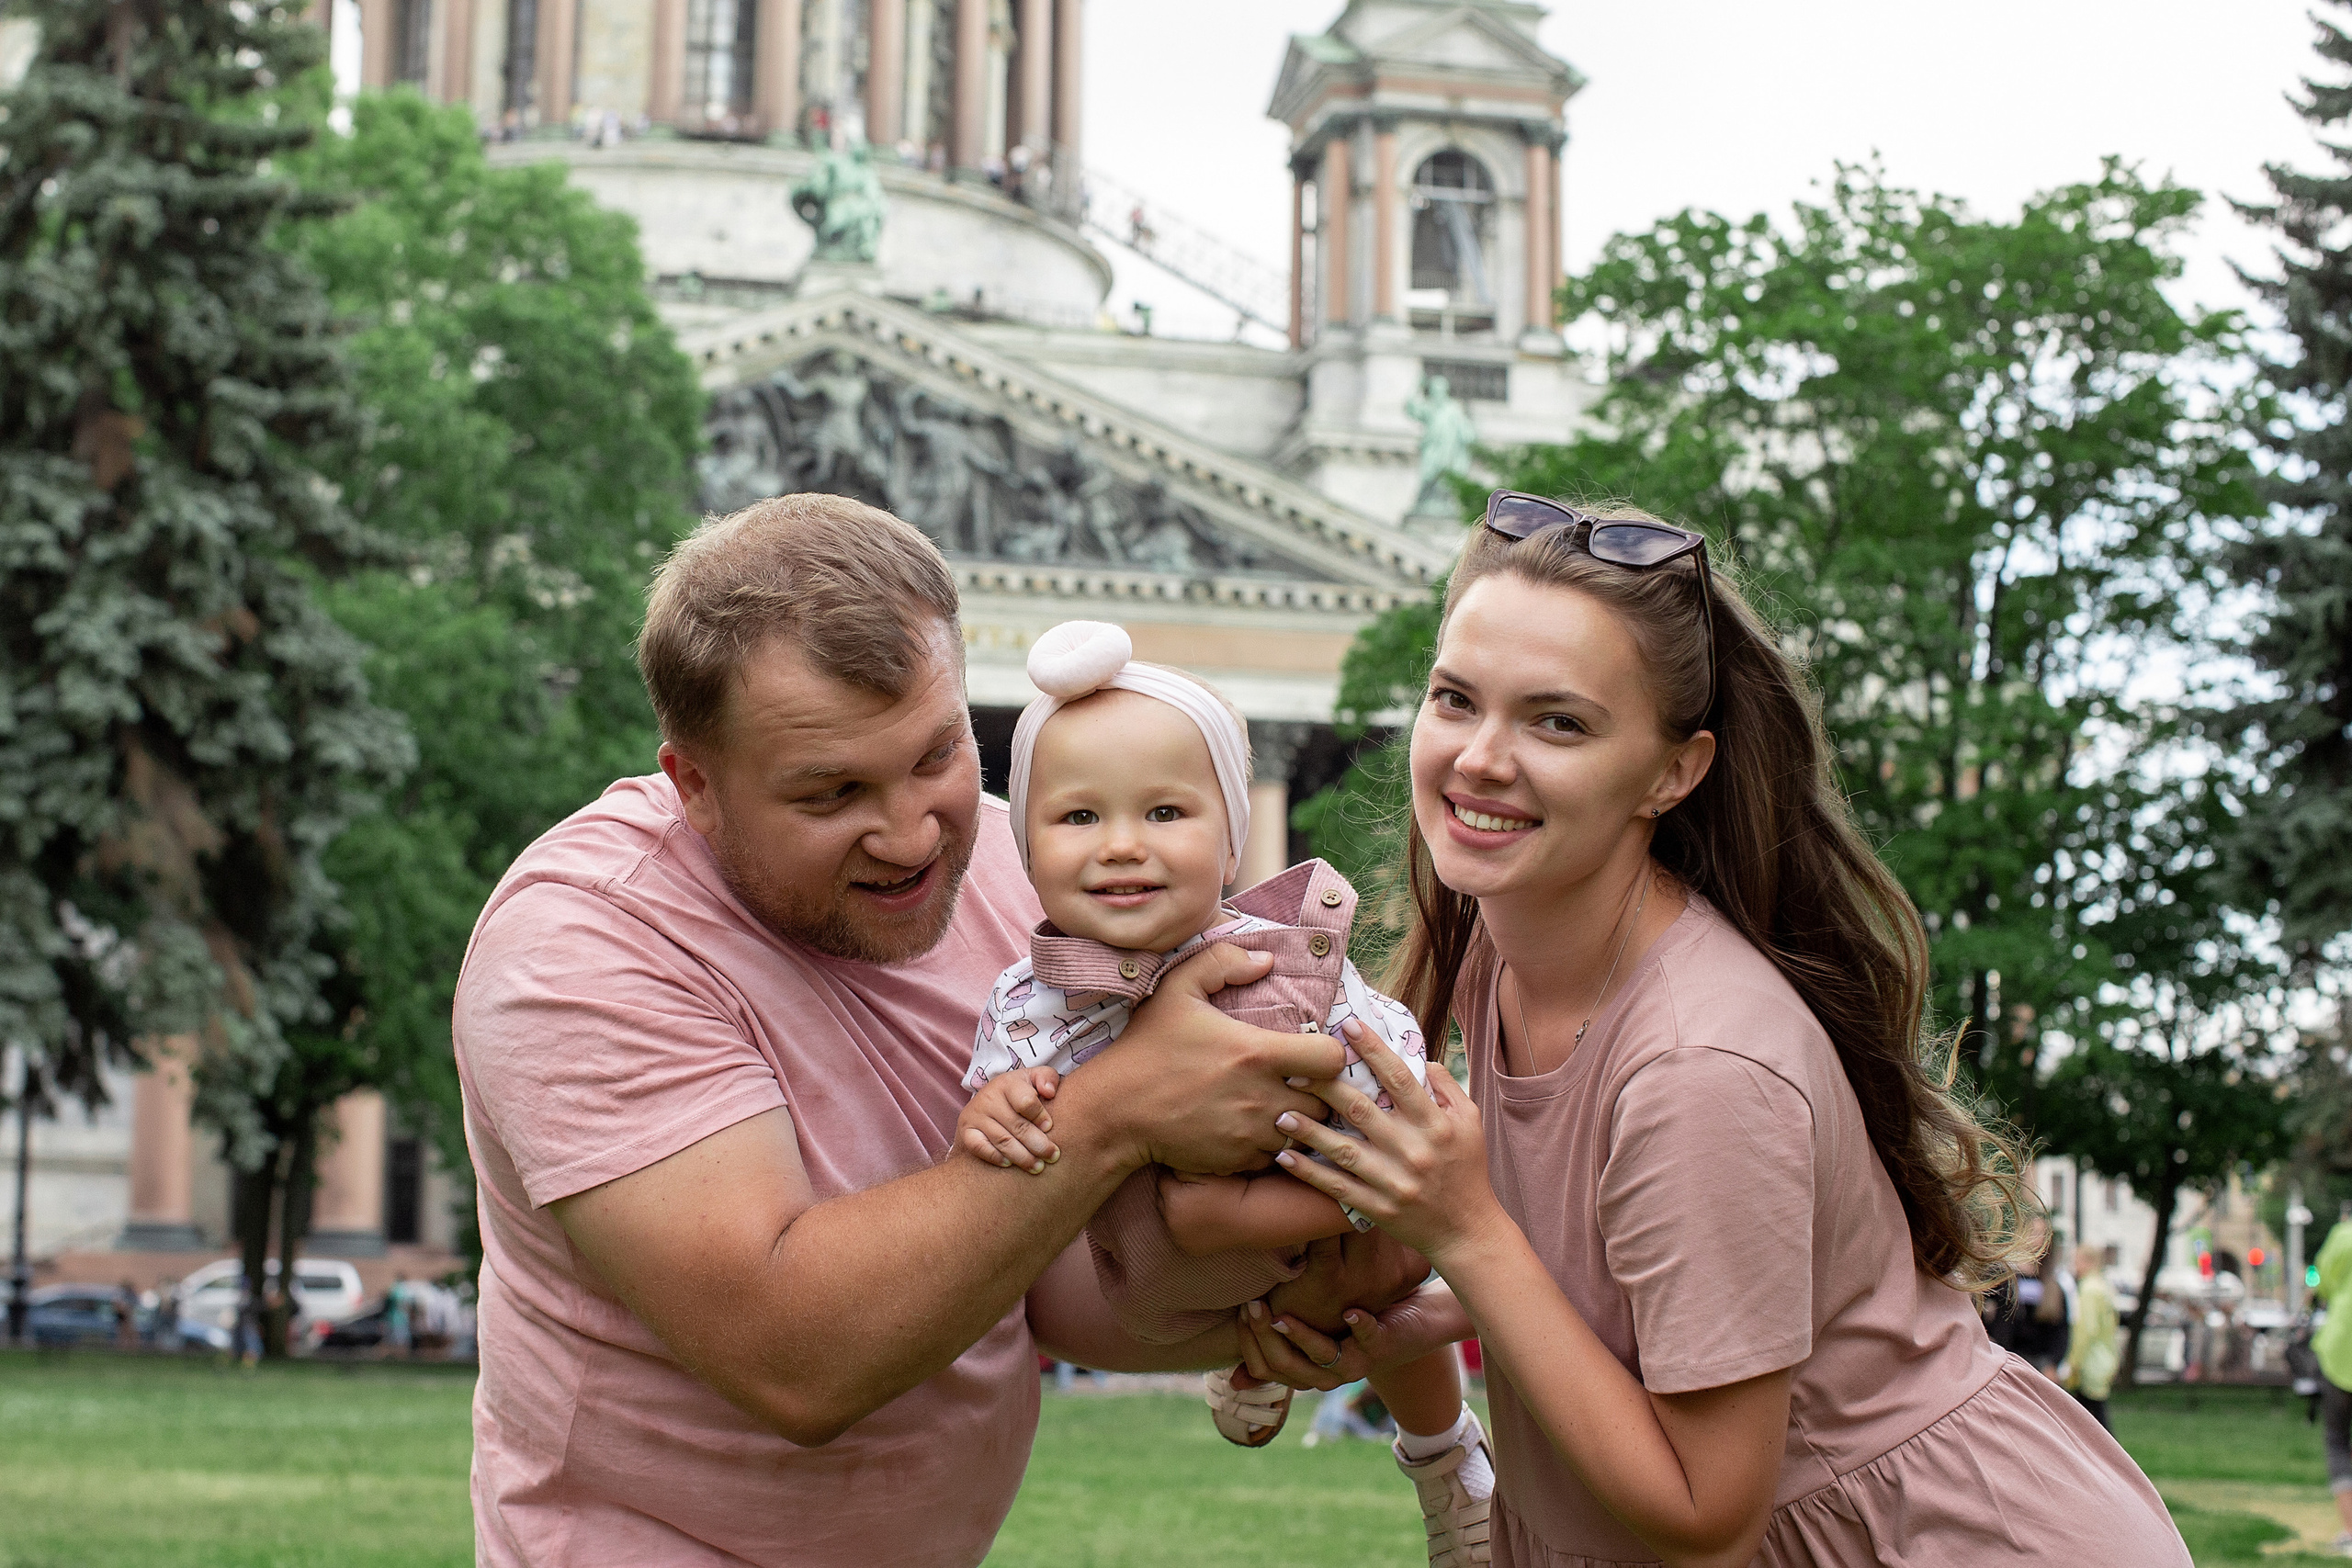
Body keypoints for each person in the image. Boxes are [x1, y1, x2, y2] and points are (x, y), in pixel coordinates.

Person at [451, 494, 1426, 1568]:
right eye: (832, 793)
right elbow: (793, 1361)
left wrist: (1271, 1306)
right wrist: (1127, 1109)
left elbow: (1044, 1285)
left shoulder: (1023, 870)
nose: (914, 835)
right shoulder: (580, 946)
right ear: (696, 786)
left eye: (936, 756)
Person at [1229, 491, 2190, 1566]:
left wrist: (1467, 1233)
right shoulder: (1510, 944)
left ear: (1674, 771)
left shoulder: (1701, 1069)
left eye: (1558, 721)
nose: (1480, 758)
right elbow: (1629, 1285)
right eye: (1456, 699)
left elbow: (1704, 1513)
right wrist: (1429, 1315)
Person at [955, 621, 1489, 1559]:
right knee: (1202, 1216)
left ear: (1233, 836)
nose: (1122, 846)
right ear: (1025, 851)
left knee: (1380, 1274)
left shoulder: (1272, 963)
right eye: (1079, 818)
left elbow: (1375, 1051)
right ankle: (1257, 1350)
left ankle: (1445, 1460)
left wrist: (1376, 1170)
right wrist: (992, 1111)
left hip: (1323, 1205)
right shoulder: (1025, 996)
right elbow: (999, 1093)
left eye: (1165, 814)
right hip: (1161, 1268)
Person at [2311, 1204, 2352, 1556]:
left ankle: (2350, 1531)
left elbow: (2322, 1283)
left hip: (2342, 1350)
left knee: (2338, 1439)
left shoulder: (2344, 1235)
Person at [1984, 1219, 2070, 1377]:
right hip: (2004, 1360)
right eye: (2032, 1232)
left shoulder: (2053, 1286)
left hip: (2039, 1364)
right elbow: (1979, 1309)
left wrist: (2053, 1363)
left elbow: (2061, 1331)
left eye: (2041, 1234)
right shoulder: (2002, 1277)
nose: (2036, 1239)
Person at [2063, 1245, 2121, 1431]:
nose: (2075, 1266)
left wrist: (2074, 1361)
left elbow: (2086, 1330)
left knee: (2093, 1420)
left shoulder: (2088, 1289)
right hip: (2104, 1358)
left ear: (2088, 1262)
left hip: (2090, 1361)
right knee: (2091, 1418)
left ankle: (2110, 1459)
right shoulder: (2104, 1287)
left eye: (2077, 1260)